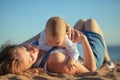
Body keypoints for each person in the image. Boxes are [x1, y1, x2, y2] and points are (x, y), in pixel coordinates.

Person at [0, 17, 114, 75]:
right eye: (30, 57)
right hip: (90, 53)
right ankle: (107, 60)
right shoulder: (55, 60)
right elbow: (90, 70)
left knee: (81, 21)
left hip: (73, 43)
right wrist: (84, 39)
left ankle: (107, 59)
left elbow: (44, 31)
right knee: (91, 21)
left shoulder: (27, 50)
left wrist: (65, 27)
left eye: (25, 47)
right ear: (29, 67)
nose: (32, 49)